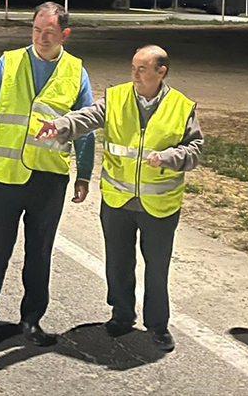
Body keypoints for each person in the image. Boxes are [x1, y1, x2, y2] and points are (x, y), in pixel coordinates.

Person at [36, 45, 203, 352]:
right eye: (133, 68)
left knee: (157, 268)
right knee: (117, 263)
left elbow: (194, 151)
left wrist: (168, 158)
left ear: (161, 72)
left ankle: (158, 325)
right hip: (117, 200)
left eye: (142, 69)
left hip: (159, 205)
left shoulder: (181, 106)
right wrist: (59, 125)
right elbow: (87, 117)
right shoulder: (117, 98)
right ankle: (122, 314)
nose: (135, 75)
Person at [0, 1, 95, 348]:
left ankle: (31, 321)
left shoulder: (76, 71)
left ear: (65, 34)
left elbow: (85, 127)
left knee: (40, 255)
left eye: (50, 32)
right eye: (37, 30)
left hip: (49, 181)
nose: (42, 37)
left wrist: (84, 174)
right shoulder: (8, 62)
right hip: (4, 177)